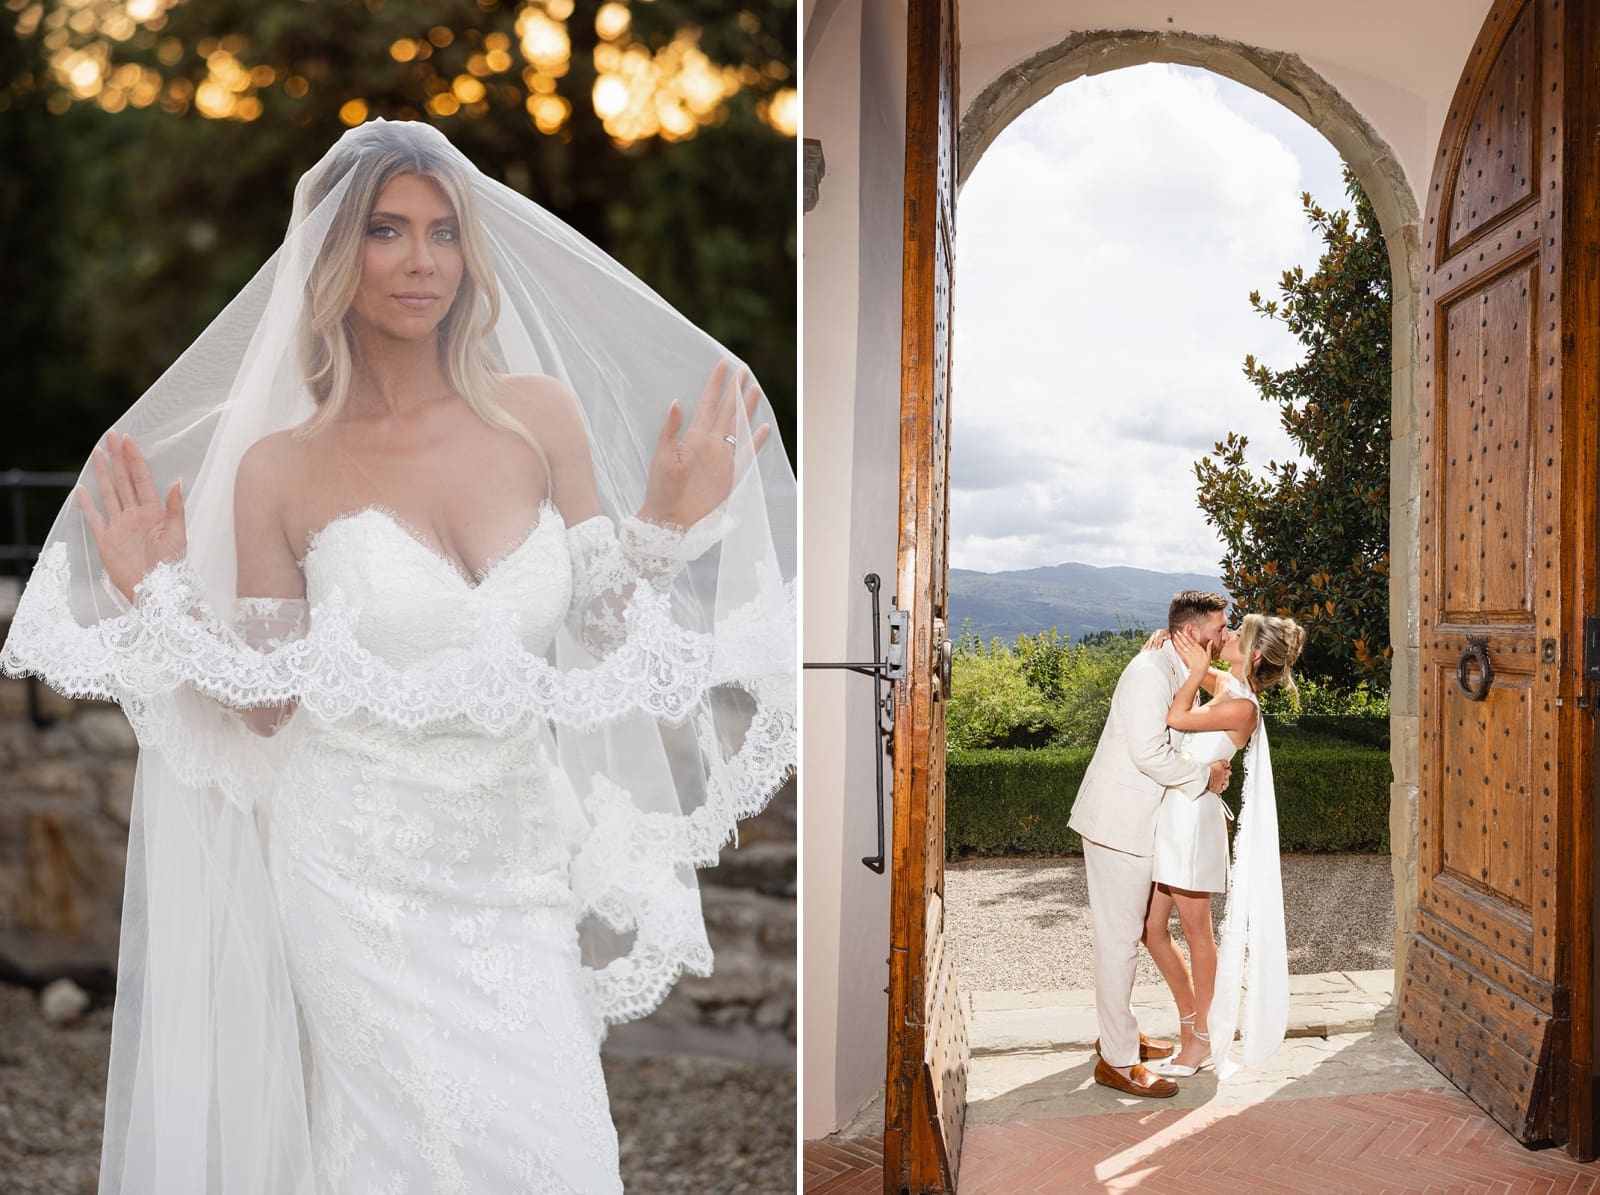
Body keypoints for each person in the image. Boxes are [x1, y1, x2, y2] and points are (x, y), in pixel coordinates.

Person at [0, 120, 795, 1194]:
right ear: (333, 258)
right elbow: (269, 705)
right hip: (353, 871)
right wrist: (160, 598)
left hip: (514, 860)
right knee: (398, 1151)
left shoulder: (536, 417)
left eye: (442, 231)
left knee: (557, 1149)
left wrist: (659, 525)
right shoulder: (280, 468)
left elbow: (600, 630)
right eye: (386, 230)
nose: (421, 259)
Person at [1067, 591, 1233, 1098]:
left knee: (1128, 936)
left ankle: (1121, 1034)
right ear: (1190, 632)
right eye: (1219, 629)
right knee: (1119, 944)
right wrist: (1204, 777)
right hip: (1120, 825)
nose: (1224, 636)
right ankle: (1116, 1062)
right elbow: (1148, 753)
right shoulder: (1148, 673)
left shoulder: (1175, 666)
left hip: (1143, 824)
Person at [1144, 612, 1305, 1080]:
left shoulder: (1244, 708)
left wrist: (1195, 672)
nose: (1228, 634)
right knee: (1152, 928)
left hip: (1194, 823)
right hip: (1175, 815)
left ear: (1254, 653)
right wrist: (1168, 639)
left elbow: (1176, 717)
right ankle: (1195, 1026)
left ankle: (1202, 1041)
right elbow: (1188, 663)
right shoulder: (1228, 689)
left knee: (1198, 935)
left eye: (1239, 633)